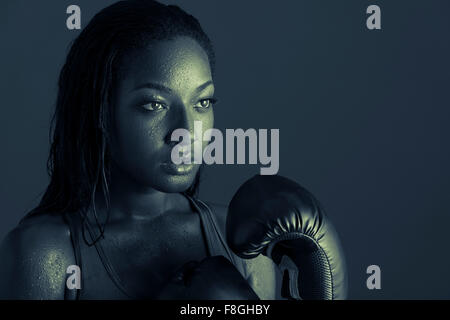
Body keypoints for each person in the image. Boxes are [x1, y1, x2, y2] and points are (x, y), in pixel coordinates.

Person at [0, 0, 281, 300]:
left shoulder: (241, 241)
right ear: (100, 110)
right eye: (154, 105)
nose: (186, 133)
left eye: (202, 103)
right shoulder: (45, 255)